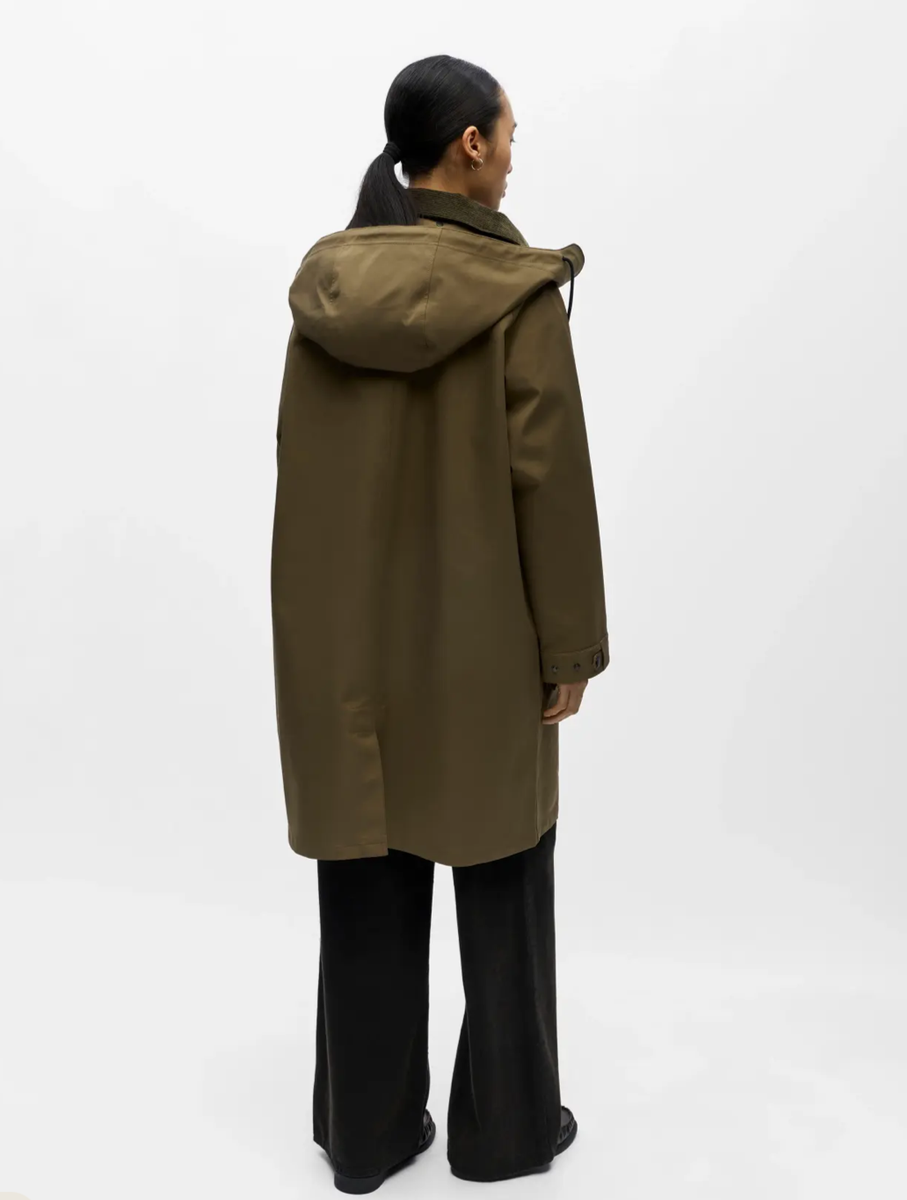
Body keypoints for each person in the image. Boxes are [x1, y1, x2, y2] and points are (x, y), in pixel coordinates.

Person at [270, 53, 610, 1193]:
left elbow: (300, 472)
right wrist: (570, 648)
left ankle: (366, 1136)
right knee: (505, 878)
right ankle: (507, 1132)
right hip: (483, 649)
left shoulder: (326, 292)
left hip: (346, 652)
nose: (512, 158)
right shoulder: (516, 296)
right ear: (469, 144)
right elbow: (549, 486)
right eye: (508, 136)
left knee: (366, 875)